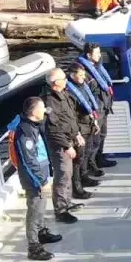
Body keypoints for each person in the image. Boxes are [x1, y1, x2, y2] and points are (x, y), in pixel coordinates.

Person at [8, 97, 62, 261]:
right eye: (42, 108)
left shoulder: (34, 126)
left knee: (41, 206)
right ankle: (34, 247)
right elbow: (28, 160)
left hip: (43, 174)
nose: (45, 110)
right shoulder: (24, 131)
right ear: (33, 111)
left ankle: (42, 232)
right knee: (35, 210)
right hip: (35, 180)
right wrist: (42, 181)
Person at [39, 69, 84, 221]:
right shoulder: (49, 101)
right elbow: (53, 128)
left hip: (70, 139)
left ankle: (67, 202)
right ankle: (60, 210)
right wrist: (67, 146)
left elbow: (70, 118)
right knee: (62, 175)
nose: (66, 80)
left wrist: (77, 134)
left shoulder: (64, 95)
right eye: (63, 78)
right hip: (60, 144)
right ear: (55, 83)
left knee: (68, 173)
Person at [78, 43, 118, 169]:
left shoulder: (97, 66)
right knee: (94, 139)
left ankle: (99, 157)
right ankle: (91, 164)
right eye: (97, 53)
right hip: (96, 109)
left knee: (102, 134)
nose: (100, 55)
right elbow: (84, 93)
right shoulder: (83, 72)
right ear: (89, 55)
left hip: (104, 107)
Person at [67, 64, 104, 185]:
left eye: (84, 74)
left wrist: (95, 121)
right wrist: (77, 133)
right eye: (81, 75)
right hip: (80, 126)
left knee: (88, 150)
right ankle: (78, 183)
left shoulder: (83, 85)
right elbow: (71, 113)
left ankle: (85, 174)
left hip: (89, 122)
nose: (84, 77)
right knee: (79, 156)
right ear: (73, 75)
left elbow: (89, 104)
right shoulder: (69, 92)